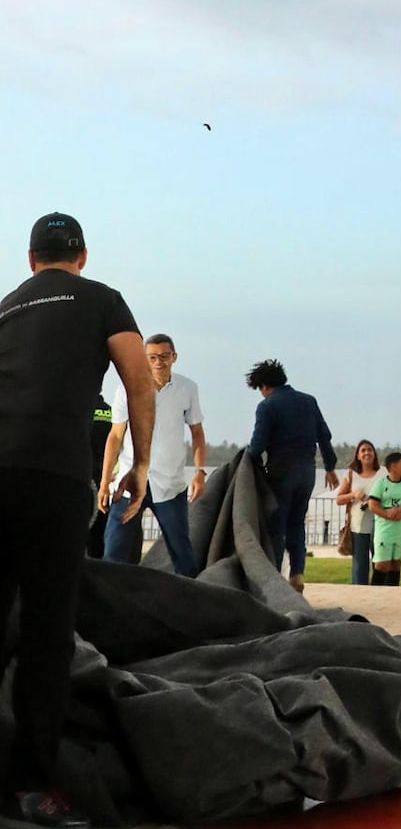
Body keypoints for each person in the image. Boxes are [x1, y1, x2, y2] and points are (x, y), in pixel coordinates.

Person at [0, 212, 154, 827]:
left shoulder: (6, 307)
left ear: (32, 259)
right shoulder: (102, 299)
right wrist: (139, 466)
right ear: (81, 256)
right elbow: (138, 381)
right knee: (46, 633)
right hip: (55, 477)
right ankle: (32, 786)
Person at [98, 333, 206, 576]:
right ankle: (107, 608)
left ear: (174, 357)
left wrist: (200, 472)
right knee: (113, 554)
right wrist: (105, 481)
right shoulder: (127, 389)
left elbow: (197, 433)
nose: (159, 362)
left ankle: (190, 607)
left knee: (183, 555)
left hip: (169, 484)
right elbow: (115, 436)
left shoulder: (187, 388)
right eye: (153, 357)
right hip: (128, 483)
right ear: (145, 360)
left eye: (164, 356)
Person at [245, 357, 339, 590]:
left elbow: (257, 446)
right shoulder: (309, 401)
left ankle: (275, 579)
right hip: (308, 472)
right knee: (297, 523)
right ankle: (297, 573)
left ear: (264, 386)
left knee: (276, 526)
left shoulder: (267, 406)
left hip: (280, 472)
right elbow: (324, 437)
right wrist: (330, 467)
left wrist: (248, 467)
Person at [367, 450, 401, 586]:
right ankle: (375, 594)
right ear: (393, 466)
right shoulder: (381, 484)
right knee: (382, 564)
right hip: (385, 530)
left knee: (396, 564)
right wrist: (388, 515)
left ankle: (393, 595)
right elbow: (372, 505)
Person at [336, 438, 382, 584]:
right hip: (358, 528)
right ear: (357, 455)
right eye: (363, 450)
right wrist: (353, 495)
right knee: (359, 569)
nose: (366, 453)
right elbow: (339, 499)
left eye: (369, 450)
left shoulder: (383, 473)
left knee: (380, 567)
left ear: (374, 454)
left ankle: (382, 598)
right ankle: (360, 598)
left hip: (381, 527)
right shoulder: (351, 474)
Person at [86, 394, 113, 559]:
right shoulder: (110, 410)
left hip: (85, 475)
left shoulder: (82, 409)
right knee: (102, 530)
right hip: (107, 477)